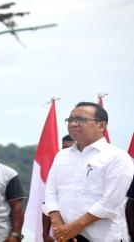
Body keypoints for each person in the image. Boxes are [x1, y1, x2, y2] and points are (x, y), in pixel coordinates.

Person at [43, 102, 134, 242]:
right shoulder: (62, 156)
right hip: (65, 237)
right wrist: (58, 226)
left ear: (102, 126)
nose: (73, 124)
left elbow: (110, 201)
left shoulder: (117, 157)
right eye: (70, 120)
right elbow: (51, 194)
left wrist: (73, 228)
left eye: (80, 120)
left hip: (103, 237)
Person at [42, 134, 75, 242]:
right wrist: (45, 233)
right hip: (61, 233)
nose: (67, 151)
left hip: (86, 232)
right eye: (64, 148)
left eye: (70, 148)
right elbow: (48, 202)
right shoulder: (58, 170)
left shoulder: (91, 170)